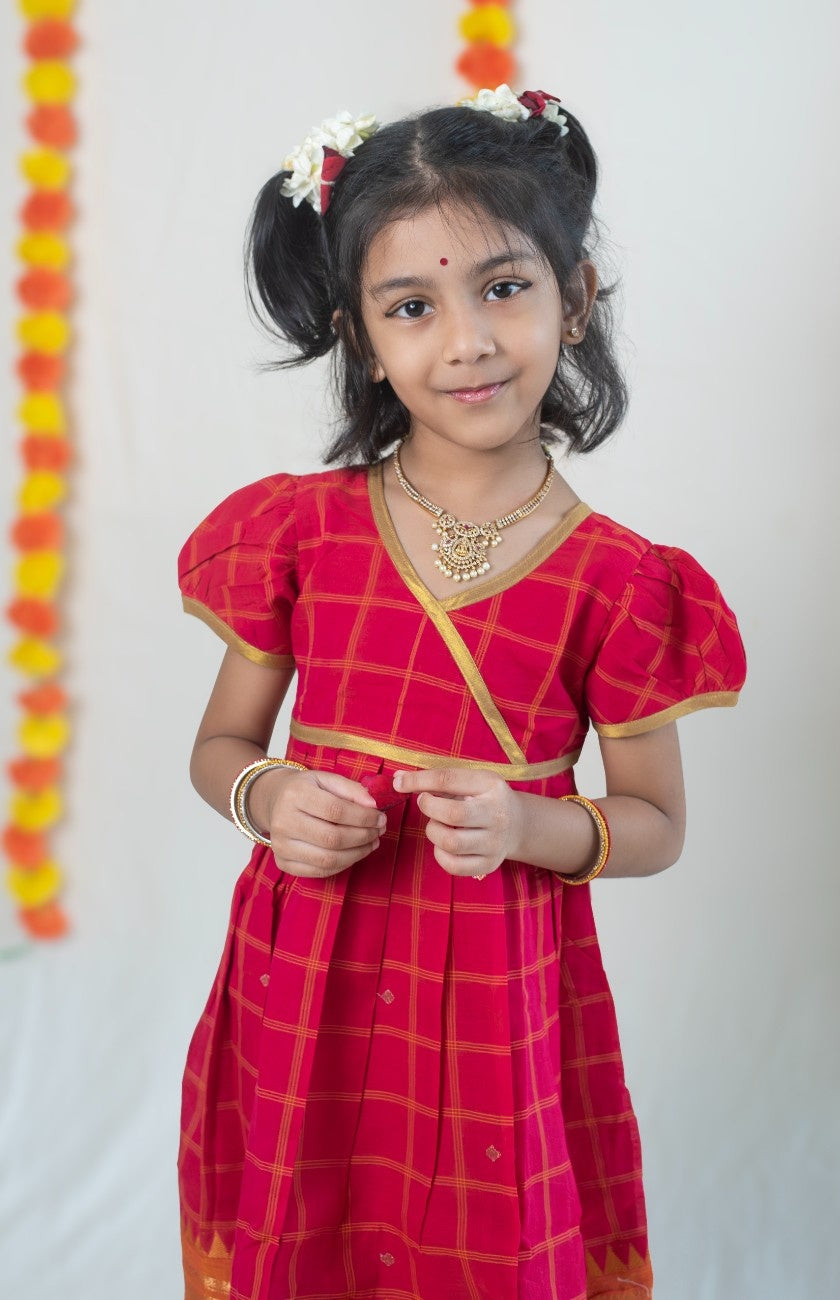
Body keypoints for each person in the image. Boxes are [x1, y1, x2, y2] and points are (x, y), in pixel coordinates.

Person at [175, 85, 747, 1300]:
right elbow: (222, 743)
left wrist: (527, 824)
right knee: (305, 1234)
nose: (467, 340)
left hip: (498, 994)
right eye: (411, 307)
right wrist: (268, 793)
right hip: (306, 974)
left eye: (503, 287)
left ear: (574, 297)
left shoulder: (626, 581)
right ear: (361, 336)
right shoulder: (299, 532)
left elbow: (652, 822)